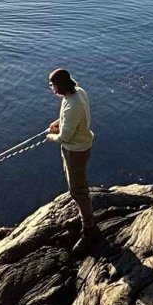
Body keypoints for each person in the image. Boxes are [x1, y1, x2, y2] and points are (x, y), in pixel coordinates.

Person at [45, 67, 96, 248]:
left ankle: (89, 227)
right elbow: (72, 117)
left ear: (60, 85)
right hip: (80, 147)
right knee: (78, 185)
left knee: (77, 190)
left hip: (75, 151)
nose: (51, 88)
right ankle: (85, 214)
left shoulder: (72, 106)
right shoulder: (78, 92)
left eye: (52, 85)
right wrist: (57, 123)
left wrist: (50, 137)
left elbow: (65, 137)